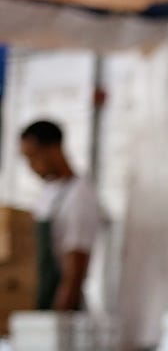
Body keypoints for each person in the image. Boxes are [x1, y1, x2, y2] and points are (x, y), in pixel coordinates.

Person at [18, 120, 102, 312]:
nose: (31, 166)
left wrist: (54, 324)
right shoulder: (48, 193)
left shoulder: (79, 195)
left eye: (33, 157)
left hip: (59, 310)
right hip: (36, 305)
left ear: (53, 149)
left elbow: (75, 270)